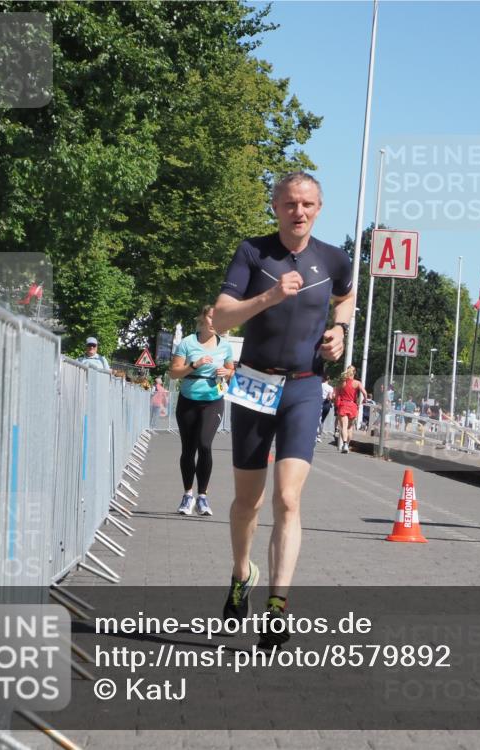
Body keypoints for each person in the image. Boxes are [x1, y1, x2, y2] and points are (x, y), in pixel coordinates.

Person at [212, 171, 354, 648]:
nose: (300, 212)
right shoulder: (253, 252)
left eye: (308, 204)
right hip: (253, 382)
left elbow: (347, 294)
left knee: (289, 500)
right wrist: (271, 295)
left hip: (305, 387)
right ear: (275, 207)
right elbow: (221, 315)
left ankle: (277, 605)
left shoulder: (334, 258)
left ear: (319, 208)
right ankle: (239, 574)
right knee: (247, 501)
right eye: (291, 203)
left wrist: (339, 330)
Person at [168, 306, 235, 518]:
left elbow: (232, 372)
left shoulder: (225, 346)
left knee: (205, 445)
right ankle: (188, 495)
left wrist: (228, 372)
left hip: (213, 399)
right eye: (211, 317)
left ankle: (203, 497)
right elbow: (174, 373)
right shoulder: (188, 342)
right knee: (188, 449)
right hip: (188, 399)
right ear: (203, 318)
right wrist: (194, 365)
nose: (214, 322)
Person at [334, 366, 367, 453]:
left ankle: (344, 444)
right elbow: (364, 392)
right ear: (354, 372)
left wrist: (336, 403)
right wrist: (365, 399)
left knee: (343, 427)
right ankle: (347, 445)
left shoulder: (341, 383)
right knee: (350, 427)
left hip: (343, 405)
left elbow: (336, 394)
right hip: (352, 406)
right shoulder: (357, 383)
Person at [318, 374, 334, 443]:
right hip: (326, 404)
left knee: (317, 418)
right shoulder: (330, 388)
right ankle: (318, 436)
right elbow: (330, 397)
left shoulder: (319, 385)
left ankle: (314, 434)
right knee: (322, 420)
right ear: (328, 380)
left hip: (318, 402)